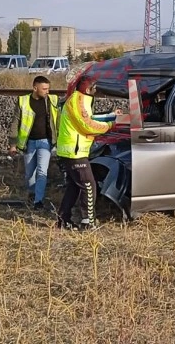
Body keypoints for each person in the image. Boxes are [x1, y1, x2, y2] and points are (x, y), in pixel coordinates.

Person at [56, 74, 119, 231]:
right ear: (88, 88)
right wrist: (110, 125)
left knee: (74, 186)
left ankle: (63, 219)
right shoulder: (78, 100)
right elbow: (87, 125)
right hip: (74, 152)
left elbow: (89, 118)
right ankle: (87, 222)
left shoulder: (79, 99)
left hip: (72, 151)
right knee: (89, 186)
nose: (95, 90)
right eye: (93, 87)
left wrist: (111, 116)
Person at [8, 75, 60, 209]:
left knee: (42, 171)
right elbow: (15, 123)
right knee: (30, 174)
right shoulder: (23, 101)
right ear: (35, 88)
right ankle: (31, 195)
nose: (47, 91)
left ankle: (38, 201)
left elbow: (60, 118)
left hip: (46, 143)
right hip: (29, 143)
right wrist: (13, 144)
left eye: (48, 88)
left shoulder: (52, 100)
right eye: (44, 89)